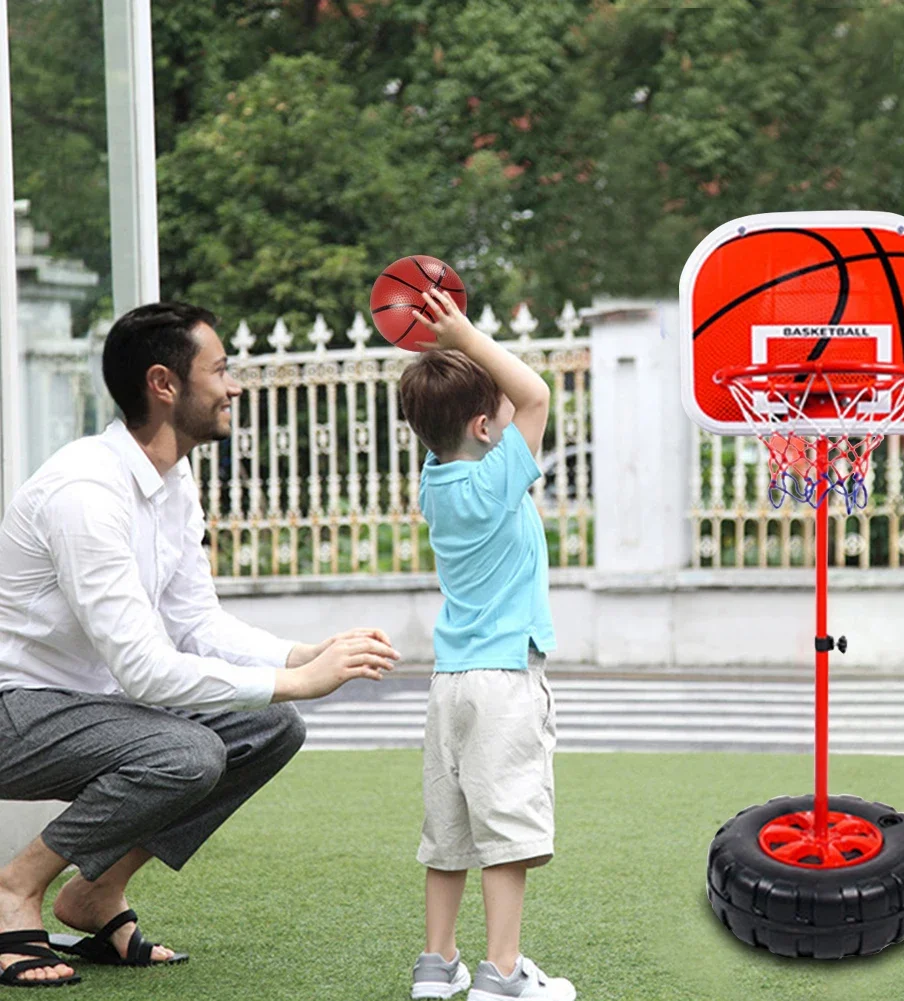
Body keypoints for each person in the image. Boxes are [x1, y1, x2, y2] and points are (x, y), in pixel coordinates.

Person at [0, 302, 400, 987]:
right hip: (15, 710)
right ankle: (15, 887)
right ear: (164, 384)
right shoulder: (86, 492)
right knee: (187, 752)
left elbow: (196, 624)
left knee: (271, 726)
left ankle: (96, 890)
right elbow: (146, 671)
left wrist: (297, 657)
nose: (234, 386)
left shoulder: (171, 480)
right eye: (220, 370)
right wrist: (300, 680)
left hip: (90, 709)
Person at [398, 288, 574, 1001]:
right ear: (482, 426)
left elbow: (491, 407)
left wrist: (442, 355)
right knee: (506, 835)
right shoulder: (495, 480)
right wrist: (464, 335)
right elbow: (537, 393)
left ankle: (437, 964)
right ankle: (501, 972)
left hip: (449, 685)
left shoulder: (436, 482)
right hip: (503, 681)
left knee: (448, 833)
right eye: (498, 415)